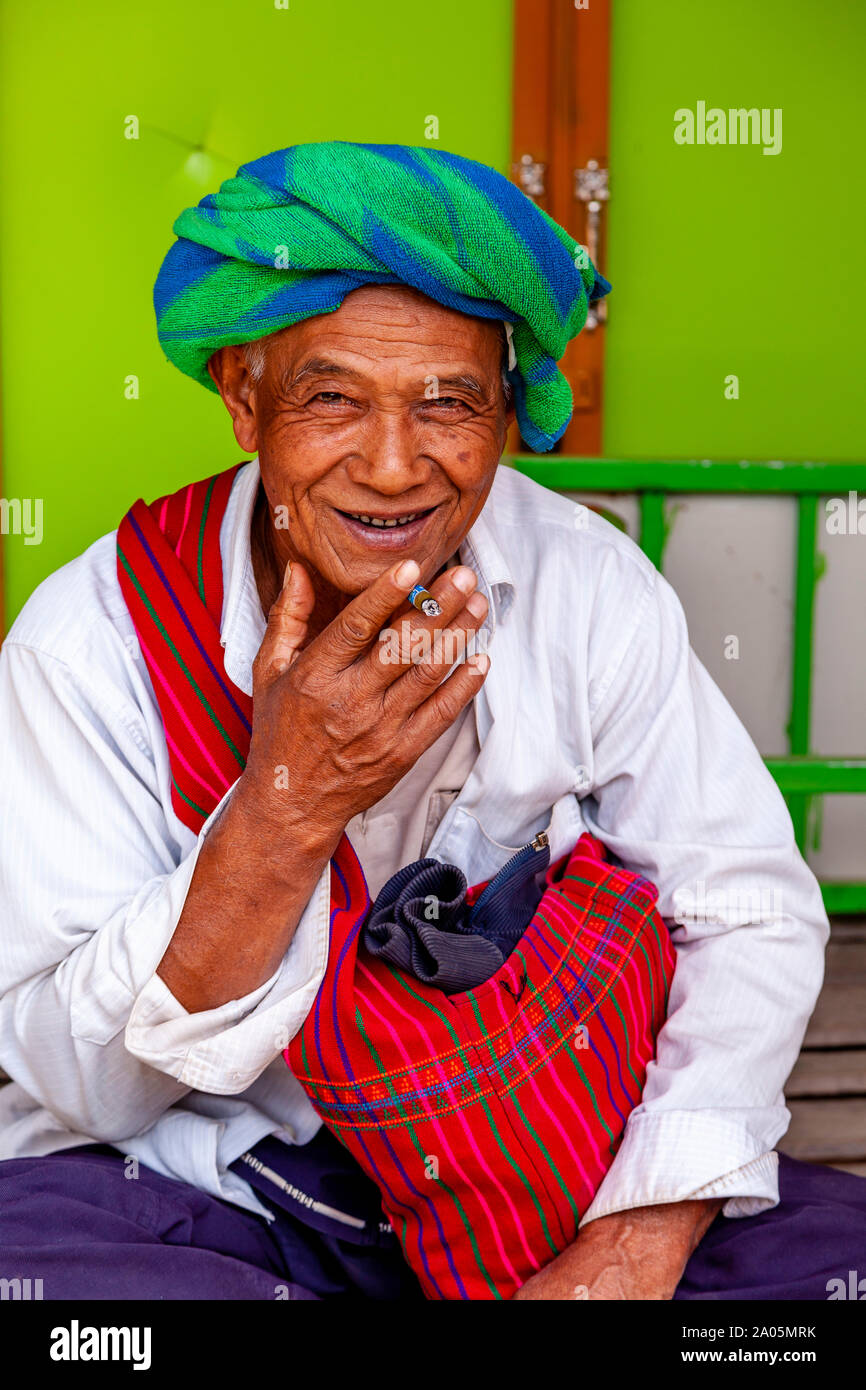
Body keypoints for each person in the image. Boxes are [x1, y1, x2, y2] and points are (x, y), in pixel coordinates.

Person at [0, 142, 861, 1301]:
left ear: (505, 412)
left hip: (553, 1166)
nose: (396, 467)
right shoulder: (89, 640)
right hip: (225, 1187)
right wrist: (287, 803)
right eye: (332, 398)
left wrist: (636, 1239)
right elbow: (74, 1080)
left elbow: (744, 906)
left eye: (448, 401)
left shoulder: (587, 587)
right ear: (244, 400)